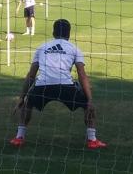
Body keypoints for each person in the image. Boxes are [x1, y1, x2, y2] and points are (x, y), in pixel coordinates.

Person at [10, 19, 107, 149]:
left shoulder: (42, 47)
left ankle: (19, 137)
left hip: (42, 87)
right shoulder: (74, 48)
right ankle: (92, 140)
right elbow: (82, 75)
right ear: (69, 33)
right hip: (65, 87)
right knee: (88, 106)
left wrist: (22, 97)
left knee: (28, 104)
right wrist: (89, 100)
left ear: (53, 32)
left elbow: (31, 75)